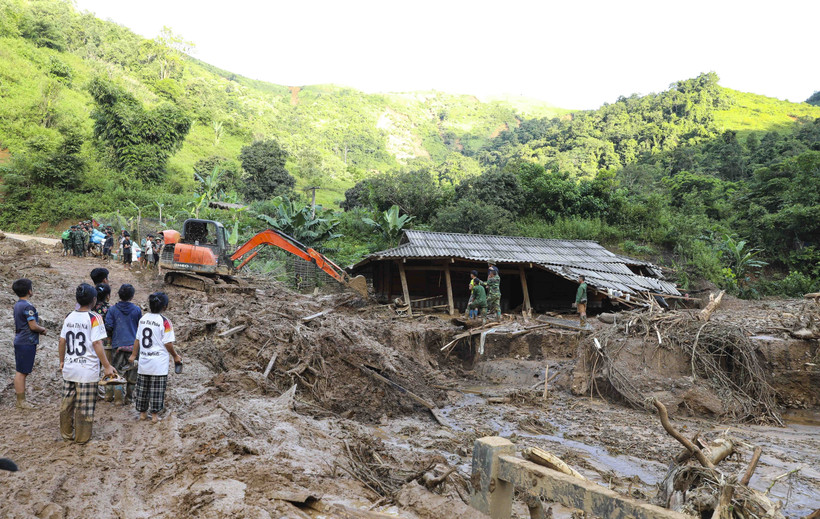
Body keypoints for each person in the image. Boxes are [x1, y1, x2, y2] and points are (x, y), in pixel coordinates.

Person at [59, 283, 115, 443]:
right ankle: (82, 438)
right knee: (85, 405)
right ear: (94, 300)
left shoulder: (69, 316)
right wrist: (106, 365)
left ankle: (66, 434)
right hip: (87, 370)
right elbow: (97, 343)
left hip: (70, 367)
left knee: (67, 402)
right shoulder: (94, 318)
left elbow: (62, 341)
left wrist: (62, 361)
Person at [129, 292, 180, 423]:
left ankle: (142, 414)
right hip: (159, 363)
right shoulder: (165, 322)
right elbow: (168, 343)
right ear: (165, 307)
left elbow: (138, 339)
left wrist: (134, 355)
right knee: (157, 389)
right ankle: (155, 416)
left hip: (144, 360)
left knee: (142, 388)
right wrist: (175, 355)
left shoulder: (143, 319)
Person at [11, 279, 47, 409]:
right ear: (29, 290)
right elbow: (32, 326)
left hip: (20, 339)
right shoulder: (28, 307)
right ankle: (21, 401)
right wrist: (42, 329)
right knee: (22, 372)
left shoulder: (18, 305)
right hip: (26, 342)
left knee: (21, 371)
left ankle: (22, 399)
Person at [105, 284, 142, 405]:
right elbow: (140, 328)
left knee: (117, 373)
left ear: (119, 295)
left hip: (118, 346)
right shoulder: (137, 310)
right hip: (133, 347)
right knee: (132, 375)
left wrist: (111, 336)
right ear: (132, 296)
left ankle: (118, 399)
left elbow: (108, 326)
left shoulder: (113, 310)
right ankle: (129, 398)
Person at [93, 284, 115, 402]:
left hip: (91, 342)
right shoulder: (110, 308)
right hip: (106, 342)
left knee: (95, 366)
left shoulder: (90, 308)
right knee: (108, 365)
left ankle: (94, 389)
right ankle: (108, 393)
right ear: (108, 296)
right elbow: (110, 326)